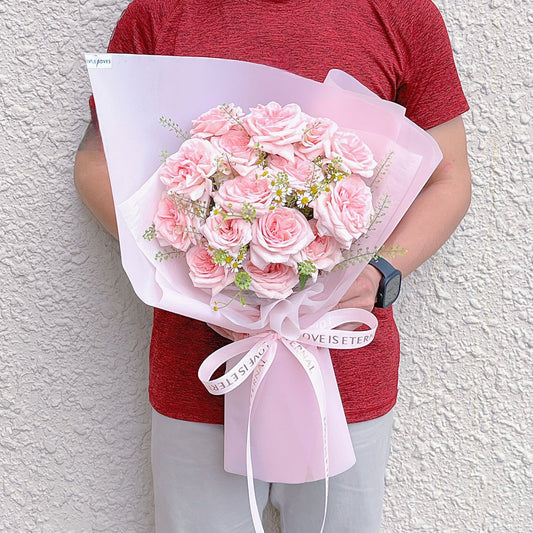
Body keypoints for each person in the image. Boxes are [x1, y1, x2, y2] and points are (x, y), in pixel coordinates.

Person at [74, 1, 471, 531]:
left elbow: (449, 179)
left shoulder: (401, 14)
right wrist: (188, 263)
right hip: (200, 378)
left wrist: (378, 270)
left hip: (345, 380)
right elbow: (97, 162)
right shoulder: (160, 13)